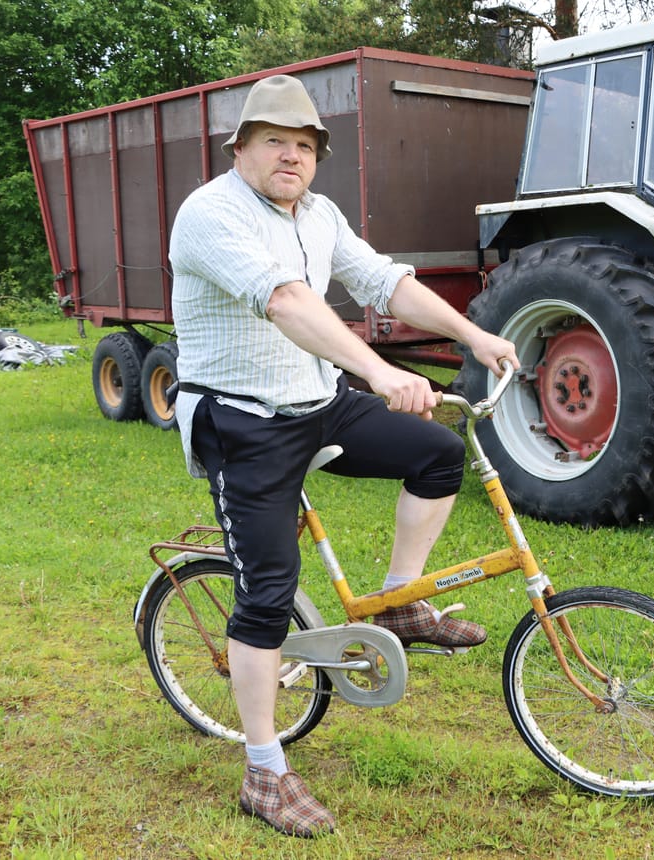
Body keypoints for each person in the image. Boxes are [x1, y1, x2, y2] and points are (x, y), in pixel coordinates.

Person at [167, 74, 519, 838]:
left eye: (304, 146)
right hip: (242, 419)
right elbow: (287, 300)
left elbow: (385, 282)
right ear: (242, 148)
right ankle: (264, 771)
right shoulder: (210, 213)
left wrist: (474, 335)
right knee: (266, 595)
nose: (290, 157)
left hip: (317, 400)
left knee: (434, 452)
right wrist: (380, 370)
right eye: (274, 142)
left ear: (317, 158)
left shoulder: (319, 214)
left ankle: (398, 599)